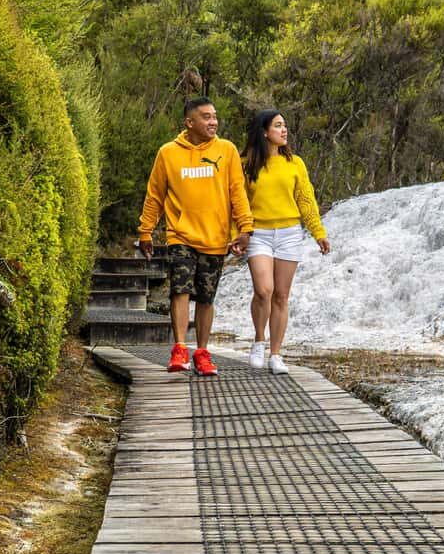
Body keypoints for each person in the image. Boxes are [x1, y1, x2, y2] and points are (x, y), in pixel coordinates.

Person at [137, 97, 254, 376]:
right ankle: (179, 349)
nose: (213, 122)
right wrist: (146, 231)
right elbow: (155, 195)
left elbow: (237, 191)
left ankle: (202, 352)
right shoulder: (168, 153)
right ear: (190, 122)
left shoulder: (226, 150)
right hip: (180, 235)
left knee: (206, 297)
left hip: (215, 238)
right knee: (180, 289)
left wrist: (245, 229)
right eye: (206, 117)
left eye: (215, 116)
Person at [242, 109, 331, 375]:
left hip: (290, 233)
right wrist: (238, 232)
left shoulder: (295, 163)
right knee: (264, 290)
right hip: (258, 233)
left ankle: (276, 354)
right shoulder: (244, 163)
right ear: (264, 132)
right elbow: (237, 201)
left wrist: (318, 232)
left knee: (281, 296)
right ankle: (259, 341)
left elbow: (306, 199)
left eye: (285, 126)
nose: (284, 130)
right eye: (278, 126)